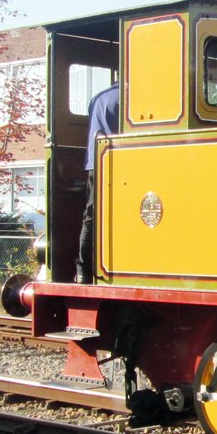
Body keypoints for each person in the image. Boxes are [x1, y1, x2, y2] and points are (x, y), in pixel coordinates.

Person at [77, 83, 120, 284]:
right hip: (117, 162)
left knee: (92, 216)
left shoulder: (98, 97)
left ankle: (84, 271)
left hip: (95, 163)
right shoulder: (128, 98)